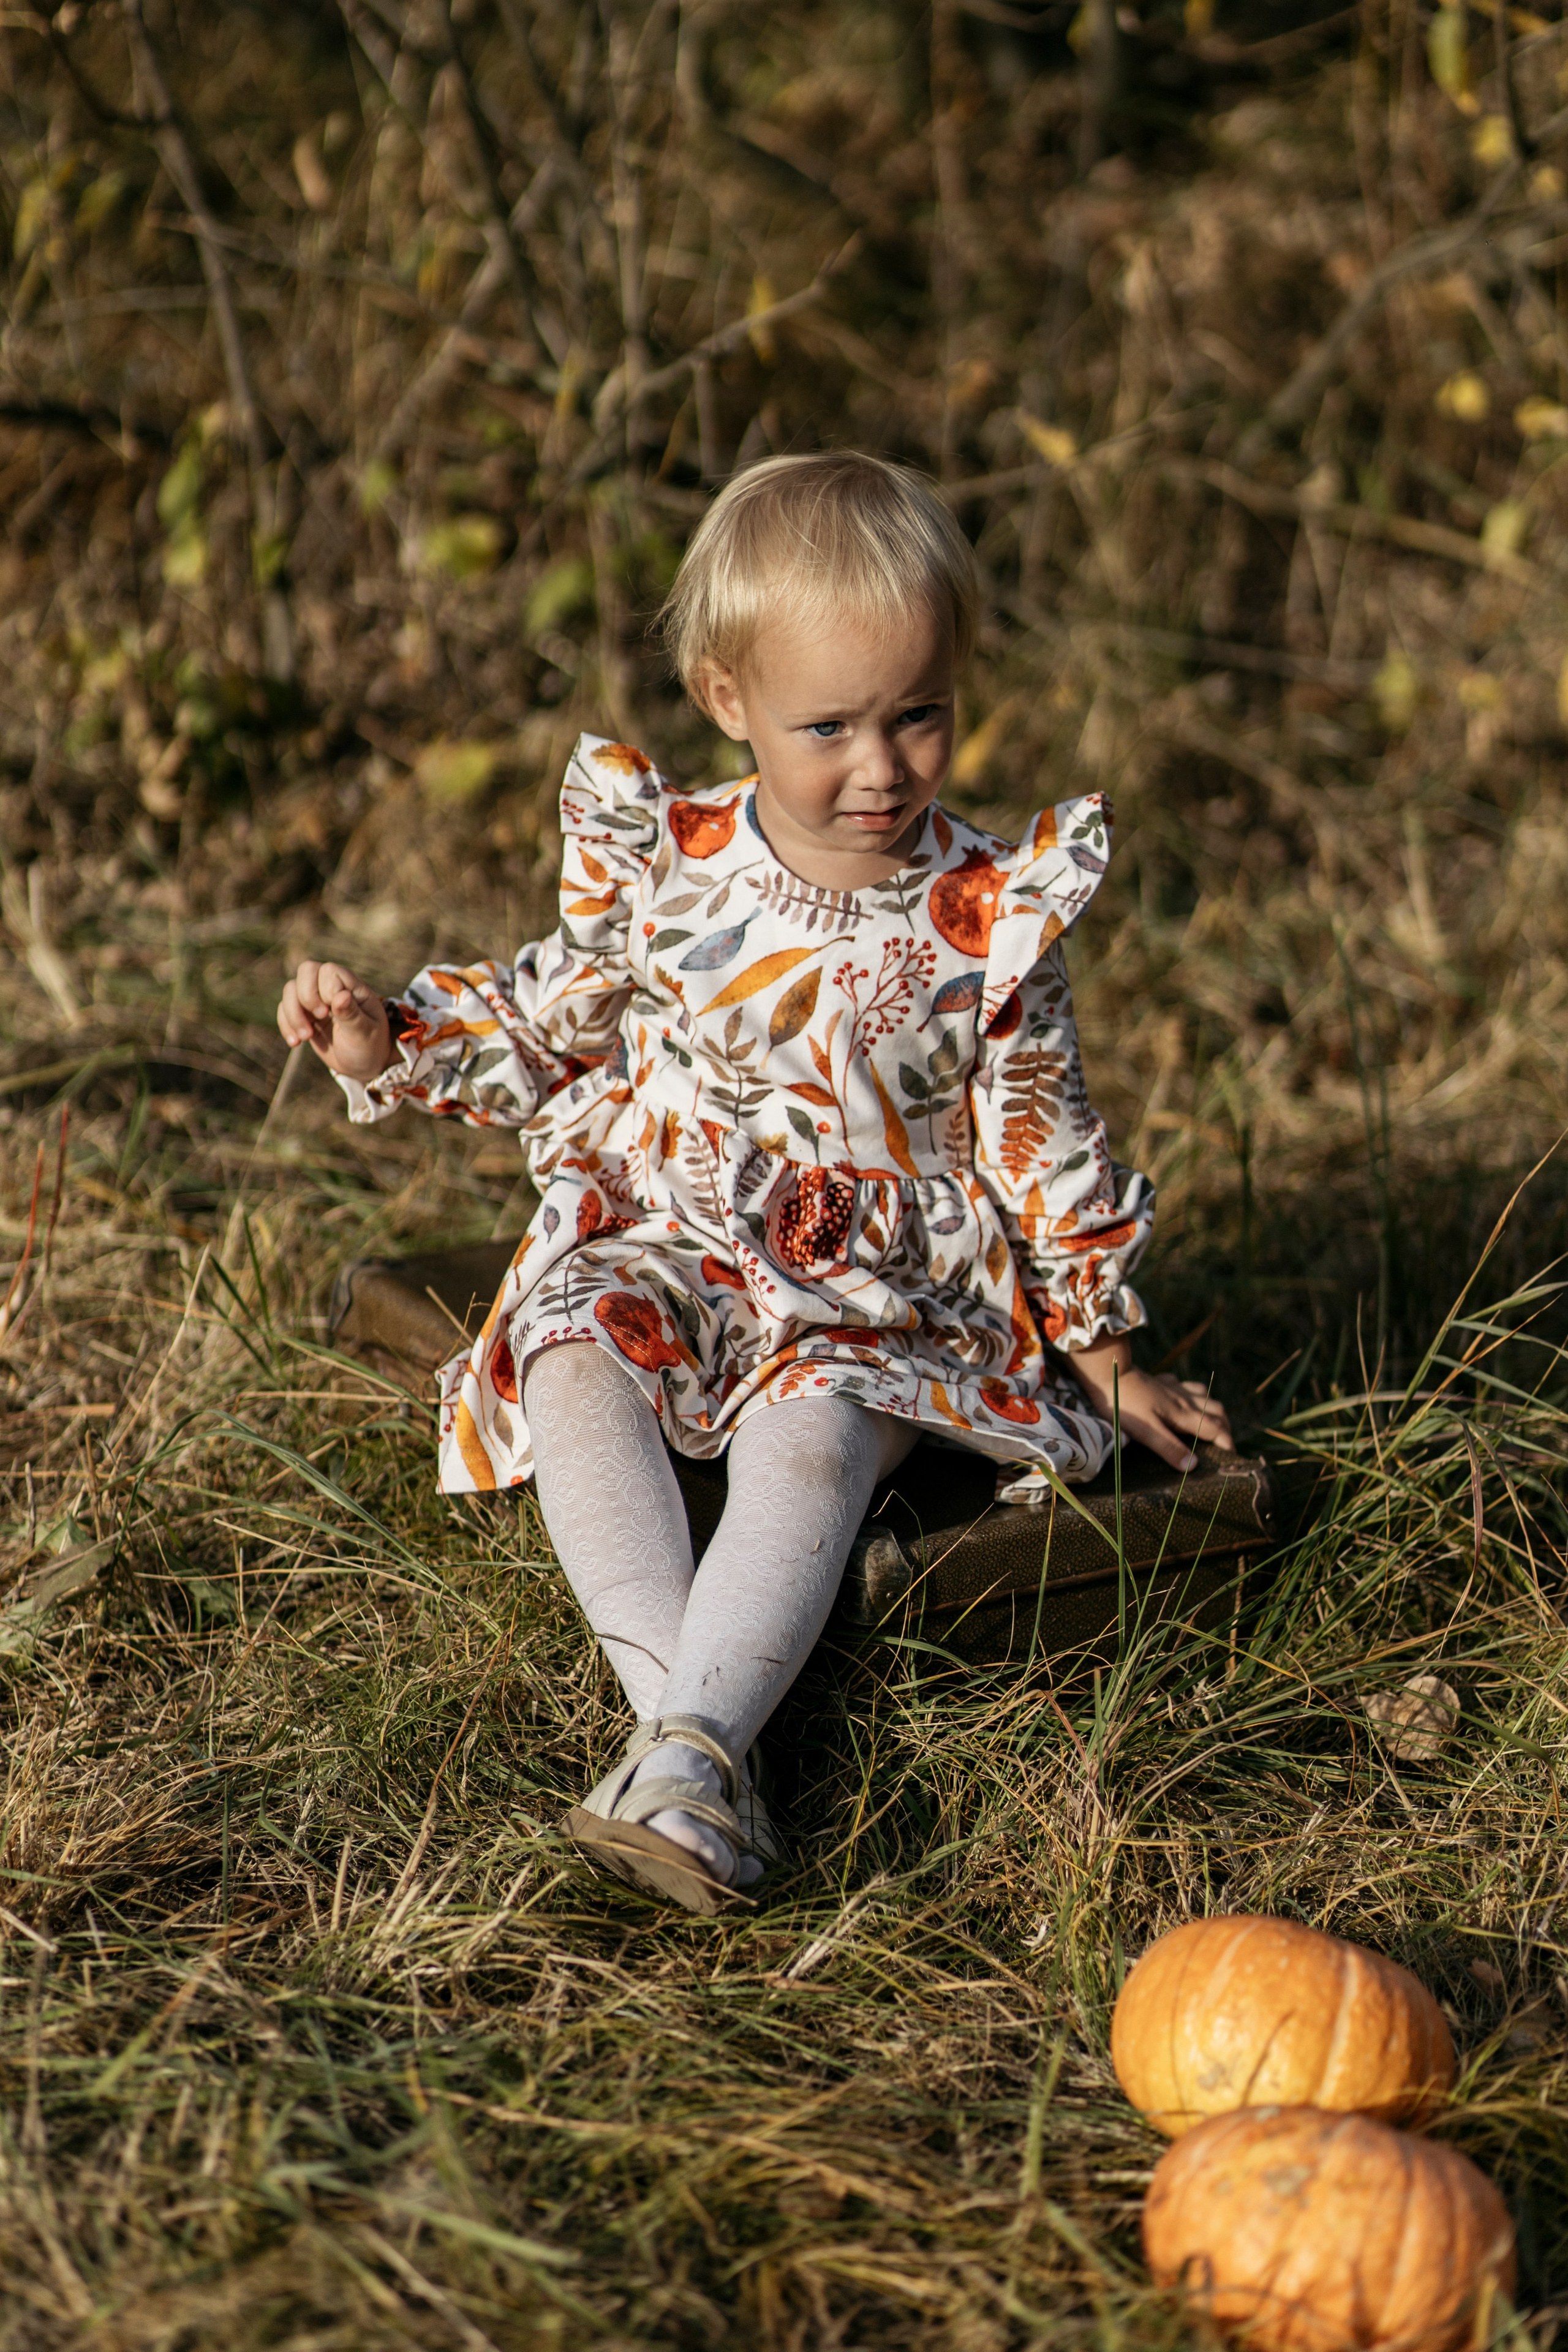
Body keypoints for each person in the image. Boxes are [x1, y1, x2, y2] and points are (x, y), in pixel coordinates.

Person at [279, 451, 1232, 1914]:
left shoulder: (986, 914)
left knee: (813, 1431)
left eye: (919, 714)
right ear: (727, 698)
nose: (882, 766)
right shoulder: (669, 866)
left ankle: (698, 1746)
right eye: (829, 726)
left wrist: (1100, 1351)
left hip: (874, 1279)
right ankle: (684, 1753)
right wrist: (386, 1038)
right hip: (677, 1234)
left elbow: (1041, 1141)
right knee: (571, 1352)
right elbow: (550, 1023)